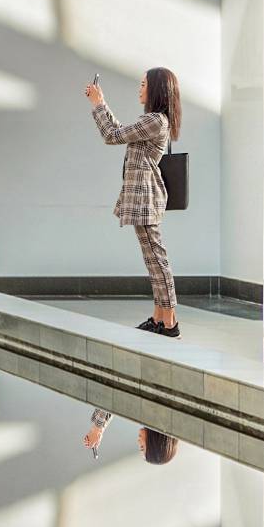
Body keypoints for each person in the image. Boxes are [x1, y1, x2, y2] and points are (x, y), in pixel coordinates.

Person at [84, 64, 183, 335]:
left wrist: (99, 104)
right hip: (141, 196)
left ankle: (170, 321)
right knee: (152, 258)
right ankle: (159, 317)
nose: (139, 89)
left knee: (157, 259)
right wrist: (100, 104)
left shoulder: (155, 121)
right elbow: (117, 131)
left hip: (145, 197)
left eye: (143, 84)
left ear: (157, 88)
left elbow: (111, 135)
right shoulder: (153, 120)